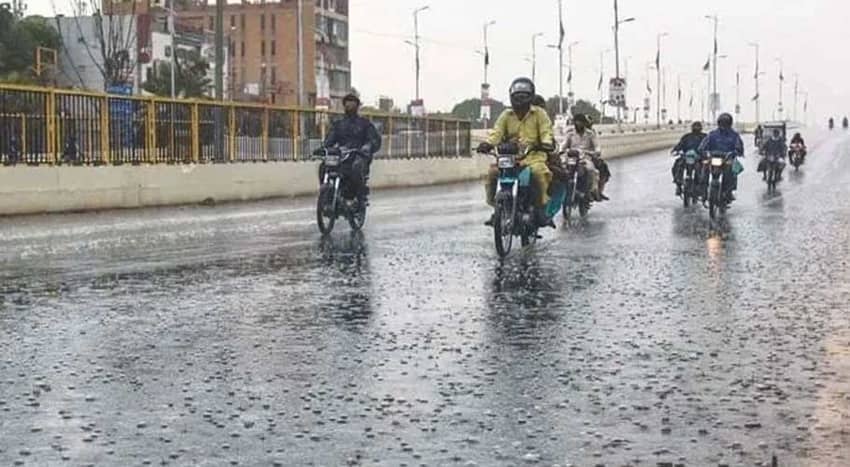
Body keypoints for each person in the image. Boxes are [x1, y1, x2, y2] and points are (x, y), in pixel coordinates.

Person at [478, 78, 555, 226]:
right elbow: (497, 133)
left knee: (539, 173)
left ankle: (540, 209)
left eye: (523, 97)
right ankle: (497, 209)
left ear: (530, 97)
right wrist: (488, 144)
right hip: (509, 157)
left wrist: (546, 143)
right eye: (517, 96)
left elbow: (546, 132)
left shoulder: (540, 114)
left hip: (533, 157)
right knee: (492, 174)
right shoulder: (506, 115)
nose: (519, 101)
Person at [314, 92, 382, 204]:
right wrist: (323, 149)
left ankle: (359, 197)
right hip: (342, 156)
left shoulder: (364, 124)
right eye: (347, 103)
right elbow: (330, 140)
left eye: (352, 103)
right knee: (323, 166)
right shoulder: (339, 124)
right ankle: (327, 196)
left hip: (358, 156)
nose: (349, 106)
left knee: (356, 167)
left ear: (357, 106)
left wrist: (367, 147)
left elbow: (374, 140)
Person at [559, 113, 606, 201]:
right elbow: (564, 144)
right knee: (562, 169)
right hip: (571, 158)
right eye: (577, 122)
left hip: (585, 158)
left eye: (581, 122)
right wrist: (561, 150)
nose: (579, 124)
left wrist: (597, 151)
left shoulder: (590, 134)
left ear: (584, 123)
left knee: (591, 170)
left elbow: (596, 145)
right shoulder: (570, 133)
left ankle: (591, 191)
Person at [698, 113, 744, 201]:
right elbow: (703, 145)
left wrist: (736, 152)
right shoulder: (712, 134)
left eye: (725, 123)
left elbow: (739, 146)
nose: (723, 125)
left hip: (727, 158)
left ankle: (728, 191)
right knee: (704, 168)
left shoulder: (734, 135)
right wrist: (703, 151)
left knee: (732, 171)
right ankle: (703, 191)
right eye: (722, 123)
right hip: (713, 158)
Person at [671, 121, 707, 195]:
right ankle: (678, 184)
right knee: (677, 165)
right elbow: (680, 145)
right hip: (686, 157)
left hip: (699, 158)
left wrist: (706, 154)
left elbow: (709, 146)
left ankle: (702, 186)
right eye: (695, 127)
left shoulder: (705, 137)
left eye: (698, 127)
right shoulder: (686, 137)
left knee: (704, 169)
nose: (696, 128)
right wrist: (675, 150)